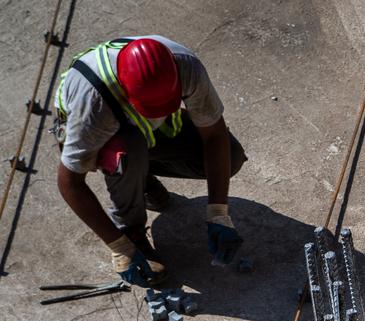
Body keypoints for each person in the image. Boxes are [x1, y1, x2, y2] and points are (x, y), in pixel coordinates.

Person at [53, 36, 247, 287]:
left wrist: (219, 213)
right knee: (130, 147)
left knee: (230, 156)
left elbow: (214, 135)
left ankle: (141, 177)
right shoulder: (93, 107)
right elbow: (70, 183)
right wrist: (119, 245)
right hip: (108, 135)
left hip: (143, 126)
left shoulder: (186, 67)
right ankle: (132, 233)